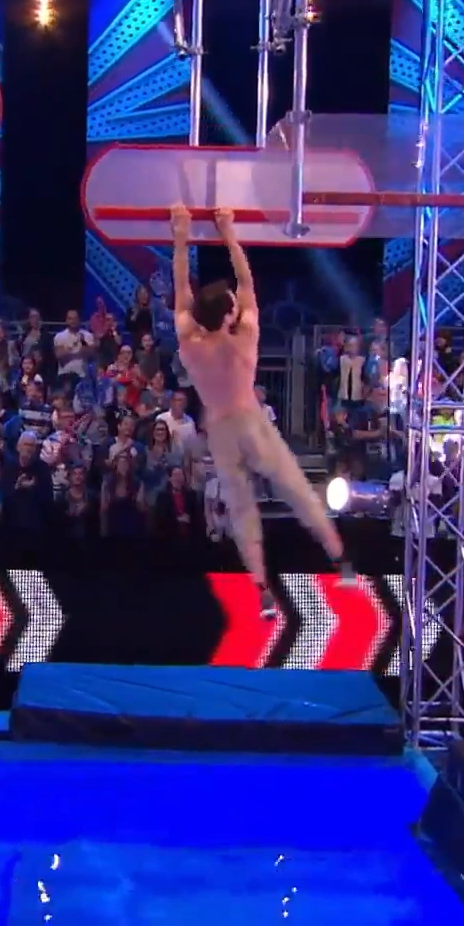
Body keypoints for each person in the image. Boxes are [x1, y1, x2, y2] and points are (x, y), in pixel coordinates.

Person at [170, 204, 349, 618]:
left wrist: (180, 233)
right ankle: (339, 557)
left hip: (220, 427)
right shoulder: (245, 337)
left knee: (241, 506)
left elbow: (181, 288)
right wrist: (228, 231)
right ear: (227, 314)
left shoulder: (190, 342)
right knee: (294, 486)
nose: (238, 303)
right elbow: (247, 282)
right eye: (232, 304)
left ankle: (261, 587)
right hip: (250, 421)